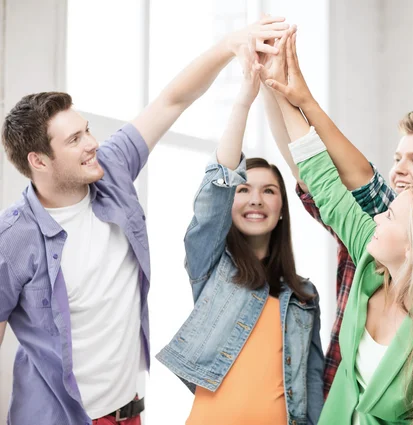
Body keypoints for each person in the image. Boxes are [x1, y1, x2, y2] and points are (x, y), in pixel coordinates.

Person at [0, 17, 290, 425]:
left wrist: (230, 44)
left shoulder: (111, 168)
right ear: (38, 161)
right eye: (75, 140)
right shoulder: (13, 238)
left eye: (85, 130)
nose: (92, 143)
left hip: (129, 414)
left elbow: (173, 99)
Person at [263, 30, 413, 425]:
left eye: (391, 215)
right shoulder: (370, 259)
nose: (379, 215)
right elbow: (323, 181)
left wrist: (301, 100)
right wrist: (279, 90)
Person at [155, 44, 324, 425]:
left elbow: (312, 384)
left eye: (269, 191)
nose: (255, 199)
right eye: (244, 189)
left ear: (282, 209)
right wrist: (244, 102)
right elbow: (216, 187)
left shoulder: (305, 296)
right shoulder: (211, 266)